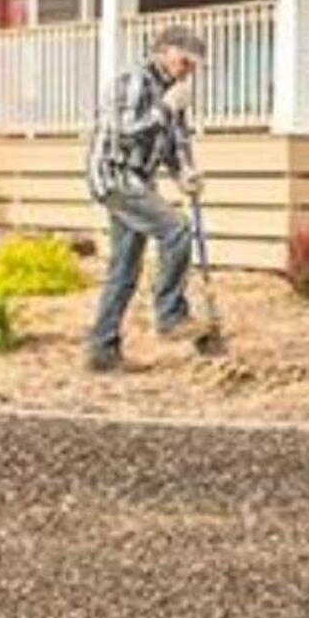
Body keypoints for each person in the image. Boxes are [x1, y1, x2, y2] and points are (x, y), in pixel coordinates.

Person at [83, 26, 221, 372]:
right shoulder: (135, 81)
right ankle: (170, 314)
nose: (190, 68)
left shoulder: (172, 91)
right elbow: (125, 131)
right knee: (177, 229)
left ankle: (102, 351)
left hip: (138, 180)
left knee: (125, 268)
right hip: (115, 176)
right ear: (164, 50)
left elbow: (173, 141)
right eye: (185, 59)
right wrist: (164, 108)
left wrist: (184, 173)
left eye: (194, 63)